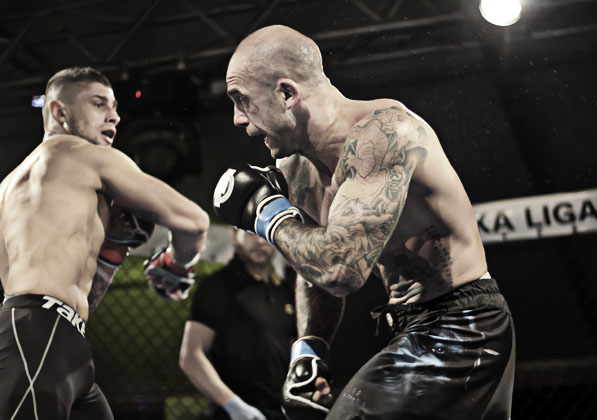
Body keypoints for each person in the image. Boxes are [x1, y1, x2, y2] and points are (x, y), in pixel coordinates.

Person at [213, 25, 515, 420]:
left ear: (287, 93)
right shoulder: (296, 169)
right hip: (414, 327)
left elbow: (341, 268)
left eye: (242, 100)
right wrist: (310, 347)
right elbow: (315, 262)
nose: (238, 119)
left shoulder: (384, 135)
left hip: (463, 326)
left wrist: (265, 213)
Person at [0, 66, 210, 420]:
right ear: (59, 111)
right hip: (39, 341)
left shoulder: (6, 189)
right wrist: (177, 265)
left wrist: (112, 250)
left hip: (53, 337)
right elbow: (194, 221)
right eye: (99, 104)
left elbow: (66, 300)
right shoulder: (88, 156)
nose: (114, 116)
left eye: (114, 107)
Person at [179, 228, 296, 420]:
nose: (260, 241)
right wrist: (232, 404)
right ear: (234, 236)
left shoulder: (285, 291)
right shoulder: (218, 286)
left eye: (266, 233)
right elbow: (191, 355)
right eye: (250, 232)